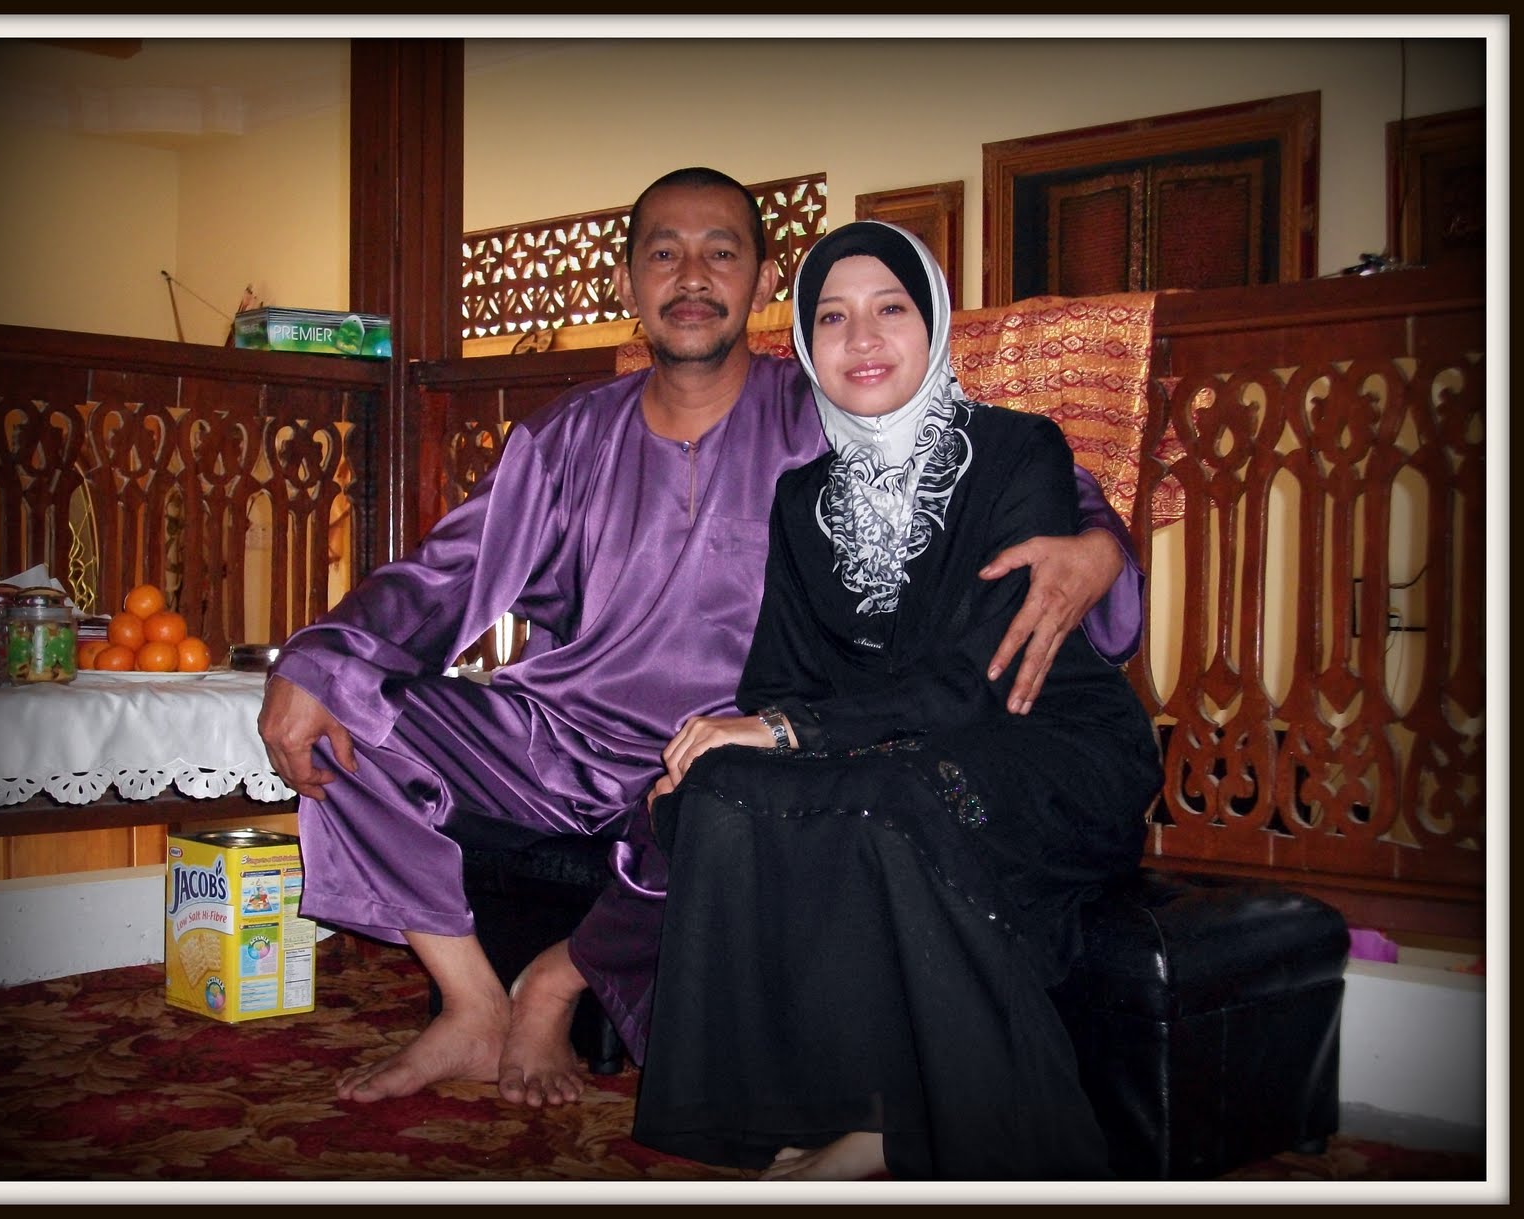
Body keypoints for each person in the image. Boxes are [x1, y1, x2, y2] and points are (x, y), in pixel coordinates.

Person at [256, 168, 1142, 1112]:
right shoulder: (566, 438)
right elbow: (446, 573)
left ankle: (557, 980)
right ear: (627, 283)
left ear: (764, 281)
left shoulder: (830, 410)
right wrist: (320, 658)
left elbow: (993, 467)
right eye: (663, 254)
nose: (691, 276)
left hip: (741, 741)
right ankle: (473, 1002)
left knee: (737, 793)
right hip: (556, 737)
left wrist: (1100, 545)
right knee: (345, 708)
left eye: (721, 252)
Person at [628, 221, 1163, 1180]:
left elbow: (977, 675)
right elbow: (779, 677)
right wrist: (741, 739)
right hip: (895, 748)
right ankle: (785, 1110)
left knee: (894, 797)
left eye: (891, 309)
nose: (862, 338)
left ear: (936, 325)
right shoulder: (803, 499)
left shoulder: (1017, 450)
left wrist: (790, 728)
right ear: (806, 345)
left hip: (1046, 742)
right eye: (832, 318)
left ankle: (903, 1132)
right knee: (719, 793)